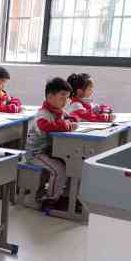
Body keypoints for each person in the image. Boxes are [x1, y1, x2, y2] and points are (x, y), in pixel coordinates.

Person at [24, 77, 79, 209]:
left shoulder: (58, 111)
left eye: (67, 98)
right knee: (59, 169)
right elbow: (45, 126)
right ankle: (50, 199)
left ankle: (65, 195)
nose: (65, 101)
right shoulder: (43, 114)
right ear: (49, 97)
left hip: (49, 152)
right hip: (36, 154)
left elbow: (73, 117)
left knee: (73, 163)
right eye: (62, 97)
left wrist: (71, 121)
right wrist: (66, 126)